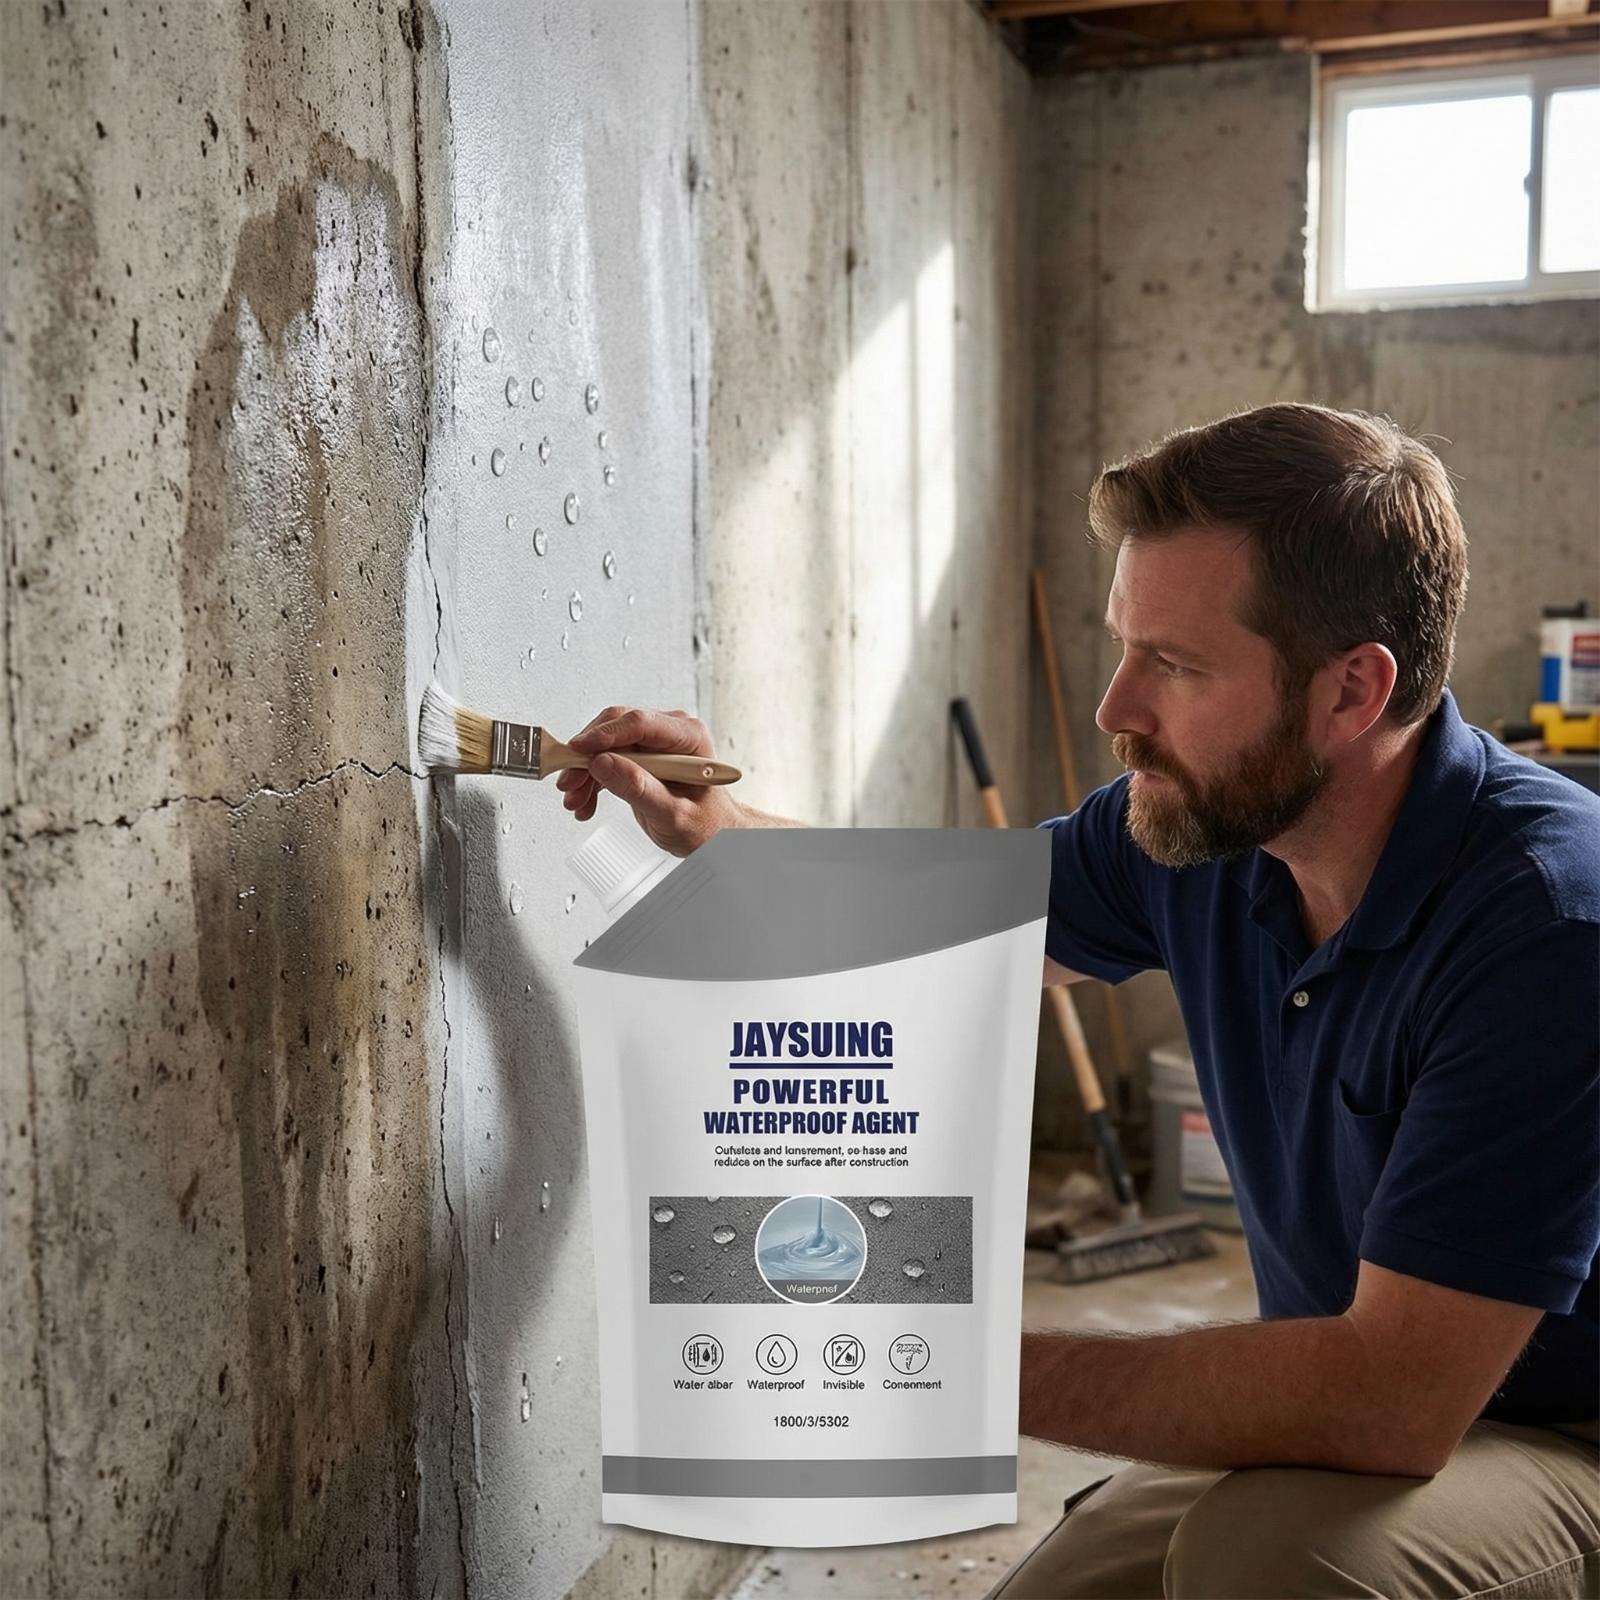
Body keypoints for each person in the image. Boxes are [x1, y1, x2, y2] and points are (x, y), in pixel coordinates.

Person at [557, 403, 1600, 1598]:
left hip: (1554, 1434)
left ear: (1351, 691)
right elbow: (941, 920)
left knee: (1270, 1566)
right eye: (1123, 646)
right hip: (1360, 1404)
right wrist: (718, 826)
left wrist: (935, 1363)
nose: (1115, 711)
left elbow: (1389, 1400)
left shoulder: (1549, 924)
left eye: (1176, 665)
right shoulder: (1209, 831)